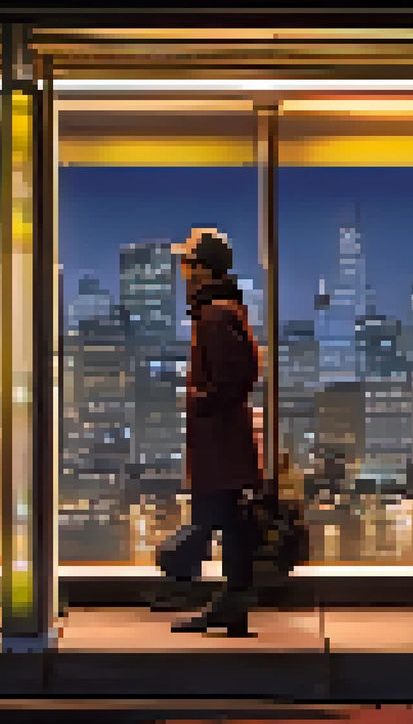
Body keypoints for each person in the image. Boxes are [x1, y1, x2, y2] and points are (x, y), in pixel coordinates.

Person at [149, 227, 262, 637]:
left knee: (218, 519)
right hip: (222, 439)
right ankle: (227, 604)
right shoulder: (218, 311)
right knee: (225, 521)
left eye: (187, 263)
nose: (182, 271)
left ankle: (189, 579)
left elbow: (239, 376)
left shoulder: (215, 314)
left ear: (202, 269)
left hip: (221, 441)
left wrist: (200, 400)